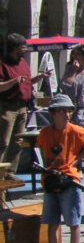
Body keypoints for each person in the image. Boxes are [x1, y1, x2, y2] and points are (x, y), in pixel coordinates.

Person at [36, 93, 84, 243]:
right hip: (50, 179)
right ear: (53, 113)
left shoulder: (75, 130)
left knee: (73, 220)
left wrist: (78, 159)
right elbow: (42, 148)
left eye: (69, 111)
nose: (66, 114)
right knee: (51, 221)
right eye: (62, 111)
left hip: (68, 179)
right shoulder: (45, 132)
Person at [0, 33, 47, 165]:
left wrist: (39, 77)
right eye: (22, 46)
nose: (25, 49)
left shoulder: (23, 63)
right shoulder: (3, 64)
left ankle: (10, 171)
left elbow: (25, 82)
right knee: (3, 142)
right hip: (7, 108)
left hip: (22, 107)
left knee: (18, 142)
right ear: (14, 47)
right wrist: (13, 81)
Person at [59, 44, 84, 128]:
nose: (75, 56)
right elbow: (65, 85)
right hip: (68, 107)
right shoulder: (69, 68)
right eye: (73, 54)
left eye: (78, 54)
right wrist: (74, 70)